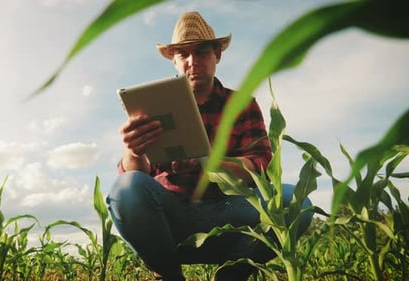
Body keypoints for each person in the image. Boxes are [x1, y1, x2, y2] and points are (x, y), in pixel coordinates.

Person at [107, 11, 312, 281]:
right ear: (174, 61)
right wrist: (134, 151)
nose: (193, 62)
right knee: (125, 189)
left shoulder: (242, 105)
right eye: (183, 54)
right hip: (172, 213)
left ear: (218, 55)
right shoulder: (153, 106)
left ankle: (232, 274)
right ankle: (169, 275)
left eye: (201, 52)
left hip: (230, 211)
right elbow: (136, 183)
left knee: (295, 202)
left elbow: (262, 164)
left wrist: (211, 164)